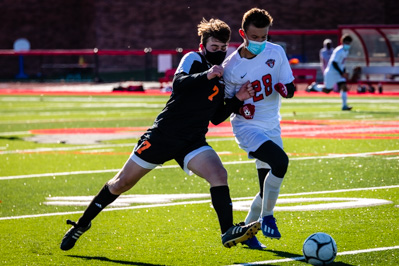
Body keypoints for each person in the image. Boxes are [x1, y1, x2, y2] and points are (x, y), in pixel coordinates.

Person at [60, 18, 260, 251]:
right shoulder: (193, 59)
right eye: (214, 47)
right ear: (203, 46)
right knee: (121, 183)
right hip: (164, 135)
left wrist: (237, 100)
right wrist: (206, 75)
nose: (218, 52)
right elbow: (179, 84)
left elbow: (215, 117)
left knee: (219, 174)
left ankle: (227, 231)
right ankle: (81, 225)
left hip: (192, 139)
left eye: (223, 48)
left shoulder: (223, 74)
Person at [223, 8, 295, 250]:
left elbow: (290, 86)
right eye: (254, 37)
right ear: (243, 33)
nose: (260, 42)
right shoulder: (232, 66)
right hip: (247, 126)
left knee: (266, 188)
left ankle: (246, 230)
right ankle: (267, 217)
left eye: (264, 37)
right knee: (281, 162)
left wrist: (287, 90)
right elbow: (224, 108)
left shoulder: (276, 52)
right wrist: (241, 104)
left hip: (272, 125)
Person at [306, 34, 353, 111]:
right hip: (331, 72)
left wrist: (344, 72)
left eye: (349, 43)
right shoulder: (339, 51)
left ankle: (344, 106)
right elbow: (334, 63)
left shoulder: (346, 51)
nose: (348, 45)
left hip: (338, 73)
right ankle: (315, 87)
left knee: (343, 86)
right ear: (343, 42)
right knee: (327, 90)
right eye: (347, 42)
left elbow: (342, 63)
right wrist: (342, 73)